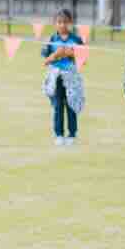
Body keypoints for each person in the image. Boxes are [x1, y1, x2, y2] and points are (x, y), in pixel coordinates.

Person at [41, 9, 86, 147]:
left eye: (65, 22)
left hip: (71, 77)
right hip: (56, 78)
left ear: (70, 23)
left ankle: (72, 134)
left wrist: (72, 54)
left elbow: (83, 60)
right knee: (57, 106)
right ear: (55, 24)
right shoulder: (51, 40)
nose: (62, 25)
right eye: (59, 22)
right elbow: (45, 61)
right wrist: (56, 55)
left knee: (71, 104)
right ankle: (59, 134)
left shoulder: (77, 40)